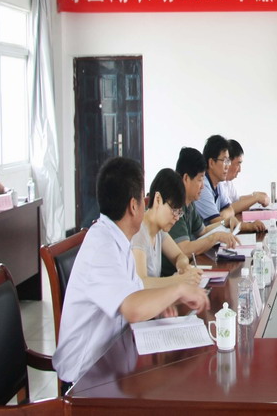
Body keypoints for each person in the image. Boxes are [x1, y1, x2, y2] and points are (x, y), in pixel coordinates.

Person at [53, 157, 209, 384]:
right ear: (133, 206)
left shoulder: (117, 238)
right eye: (143, 199)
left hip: (115, 359)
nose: (146, 206)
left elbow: (136, 290)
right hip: (85, 376)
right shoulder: (102, 247)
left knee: (173, 378)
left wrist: (160, 302)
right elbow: (132, 309)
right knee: (175, 382)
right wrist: (178, 289)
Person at [162, 147, 240, 277]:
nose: (203, 186)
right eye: (200, 180)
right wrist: (216, 237)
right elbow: (184, 249)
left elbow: (203, 231)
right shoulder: (174, 207)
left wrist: (225, 222)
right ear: (186, 178)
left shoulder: (189, 204)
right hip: (171, 276)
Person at [131, 168, 203, 287]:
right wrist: (180, 279)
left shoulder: (159, 231)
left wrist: (183, 266)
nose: (177, 217)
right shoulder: (139, 233)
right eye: (174, 210)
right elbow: (142, 283)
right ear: (158, 199)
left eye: (179, 212)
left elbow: (179, 256)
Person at [196, 135, 265, 233]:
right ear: (211, 163)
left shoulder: (218, 183)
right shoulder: (203, 186)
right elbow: (217, 222)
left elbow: (230, 210)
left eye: (228, 161)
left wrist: (224, 217)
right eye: (225, 161)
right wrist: (249, 226)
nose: (227, 166)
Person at [219, 139, 270, 214]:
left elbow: (237, 200)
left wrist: (255, 195)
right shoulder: (217, 182)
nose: (240, 170)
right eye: (238, 164)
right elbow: (227, 210)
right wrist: (256, 198)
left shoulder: (227, 182)